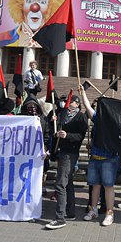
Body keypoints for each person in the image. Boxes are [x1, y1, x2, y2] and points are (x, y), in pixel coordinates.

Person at [45, 94, 88, 230]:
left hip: (70, 153)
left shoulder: (81, 117)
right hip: (61, 151)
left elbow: (81, 136)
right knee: (67, 183)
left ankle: (60, 218)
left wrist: (67, 135)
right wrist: (56, 130)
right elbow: (53, 129)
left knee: (60, 184)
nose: (67, 104)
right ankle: (70, 212)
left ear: (77, 104)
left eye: (71, 102)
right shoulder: (63, 114)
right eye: (66, 102)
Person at [79, 86, 118, 227]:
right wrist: (83, 93)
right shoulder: (97, 118)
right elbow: (88, 106)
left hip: (109, 158)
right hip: (95, 157)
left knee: (108, 186)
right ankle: (93, 210)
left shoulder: (115, 122)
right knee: (95, 185)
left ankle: (109, 213)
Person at [0, 0, 68, 47]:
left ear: (51, 6)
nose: (34, 7)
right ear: (21, 5)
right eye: (29, 0)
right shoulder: (1, 39)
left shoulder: (64, 42)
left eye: (42, 1)